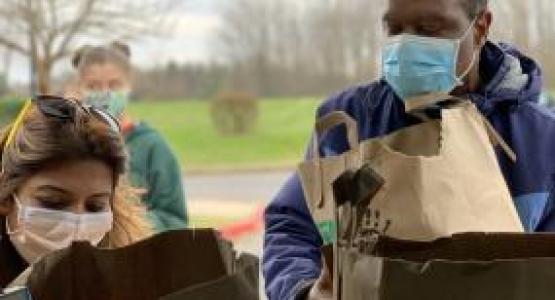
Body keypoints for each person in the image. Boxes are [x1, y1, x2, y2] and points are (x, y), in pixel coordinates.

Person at [263, 0, 555, 299]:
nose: (405, 45)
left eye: (428, 29)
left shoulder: (542, 141)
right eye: (394, 29)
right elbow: (291, 226)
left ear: (480, 27)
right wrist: (302, 290)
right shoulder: (349, 123)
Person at [0, 95, 152, 287]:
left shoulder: (131, 284)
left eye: (95, 207)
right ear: (5, 194)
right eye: (53, 202)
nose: (77, 226)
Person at [72, 42, 189, 232]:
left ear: (129, 85)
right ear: (80, 87)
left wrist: (126, 220)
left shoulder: (152, 147)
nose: (104, 93)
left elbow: (174, 220)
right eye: (93, 86)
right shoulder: (68, 142)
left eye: (114, 84)